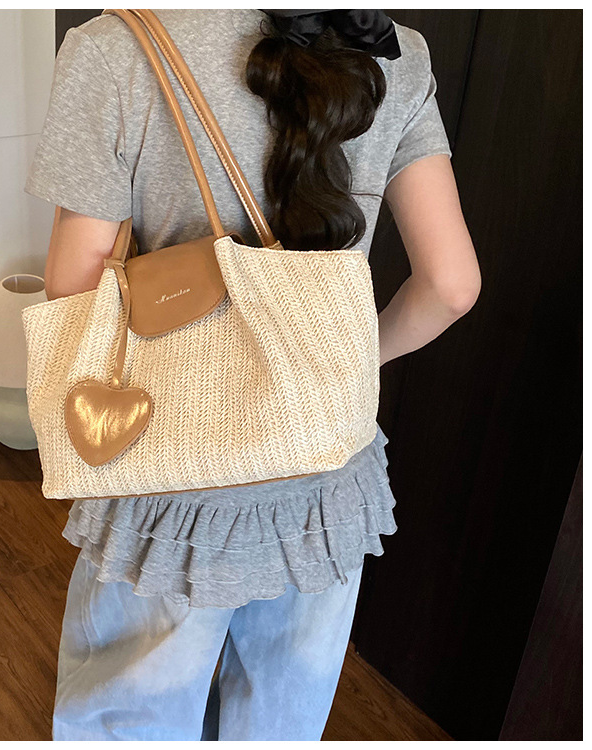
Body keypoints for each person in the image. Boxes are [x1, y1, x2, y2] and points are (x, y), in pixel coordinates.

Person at [24, 9, 480, 742]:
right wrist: (336, 365)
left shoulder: (116, 47)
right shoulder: (398, 50)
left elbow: (73, 284)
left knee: (135, 713)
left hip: (173, 470)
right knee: (281, 716)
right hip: (325, 471)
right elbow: (451, 285)